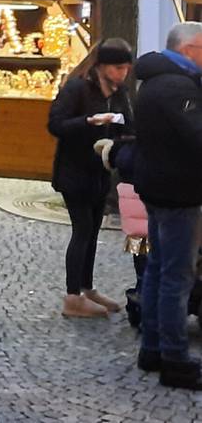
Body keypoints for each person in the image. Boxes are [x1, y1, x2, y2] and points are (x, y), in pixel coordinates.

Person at [133, 22, 202, 390]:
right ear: (190, 48)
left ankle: (153, 347)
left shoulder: (155, 81)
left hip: (159, 187)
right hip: (178, 191)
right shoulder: (178, 87)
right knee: (176, 277)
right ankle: (175, 358)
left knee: (159, 270)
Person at [47, 39, 134, 318]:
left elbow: (128, 125)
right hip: (74, 171)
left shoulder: (120, 92)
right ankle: (72, 296)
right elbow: (55, 124)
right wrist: (89, 122)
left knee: (93, 231)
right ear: (102, 66)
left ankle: (87, 288)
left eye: (126, 68)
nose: (123, 73)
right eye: (118, 67)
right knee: (82, 229)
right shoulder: (77, 88)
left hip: (101, 172)